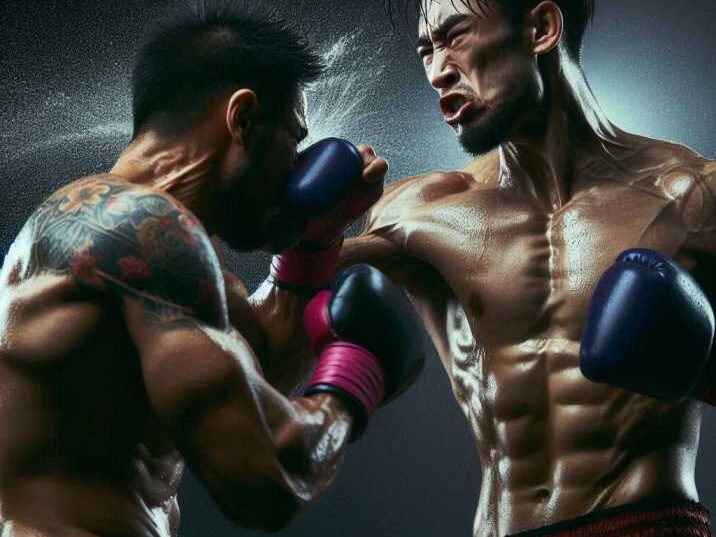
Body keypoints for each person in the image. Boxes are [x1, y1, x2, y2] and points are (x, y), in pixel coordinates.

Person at [0, 2, 424, 536]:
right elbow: (267, 478)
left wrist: (312, 243)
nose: (297, 166)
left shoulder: (143, 248)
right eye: (293, 140)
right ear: (242, 119)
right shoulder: (135, 227)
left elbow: (257, 377)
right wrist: (359, 373)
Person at [333, 0, 714, 535]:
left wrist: (700, 366)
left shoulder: (691, 197)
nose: (438, 70)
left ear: (540, 28)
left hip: (647, 524)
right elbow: (252, 320)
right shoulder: (417, 213)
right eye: (426, 50)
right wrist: (304, 238)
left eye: (455, 36)